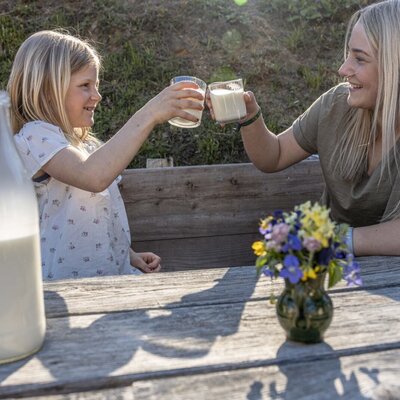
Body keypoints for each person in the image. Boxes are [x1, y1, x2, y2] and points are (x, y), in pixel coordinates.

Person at [8, 30, 204, 280]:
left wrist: (127, 254)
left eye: (97, 85)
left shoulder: (85, 146)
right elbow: (91, 176)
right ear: (48, 91)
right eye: (85, 86)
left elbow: (98, 211)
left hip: (110, 277)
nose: (97, 96)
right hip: (65, 288)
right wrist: (150, 114)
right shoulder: (35, 136)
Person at [209, 0, 400, 256]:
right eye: (348, 55)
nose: (343, 69)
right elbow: (273, 156)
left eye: (360, 59)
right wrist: (249, 116)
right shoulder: (336, 106)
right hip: (328, 273)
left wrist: (334, 239)